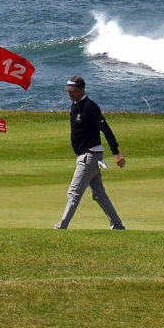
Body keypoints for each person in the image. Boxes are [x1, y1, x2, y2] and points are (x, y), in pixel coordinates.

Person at [55, 76, 126, 230]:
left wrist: (116, 153)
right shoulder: (74, 106)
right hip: (85, 155)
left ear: (82, 90)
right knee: (98, 194)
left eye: (72, 91)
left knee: (74, 193)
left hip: (90, 156)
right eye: (68, 90)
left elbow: (105, 129)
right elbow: (79, 132)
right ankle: (118, 225)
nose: (69, 94)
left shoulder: (90, 107)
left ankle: (62, 226)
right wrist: (77, 151)